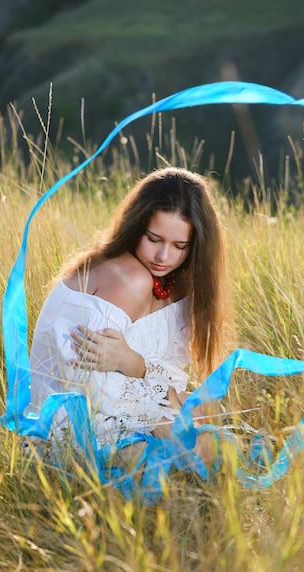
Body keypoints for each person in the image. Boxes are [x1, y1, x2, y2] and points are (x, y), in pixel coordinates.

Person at [29, 167, 232, 469]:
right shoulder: (129, 277)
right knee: (186, 454)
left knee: (219, 439)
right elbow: (87, 384)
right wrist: (166, 401)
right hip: (71, 423)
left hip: (122, 411)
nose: (163, 256)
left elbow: (163, 370)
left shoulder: (182, 284)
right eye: (154, 239)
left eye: (180, 246)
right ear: (136, 226)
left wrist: (138, 368)